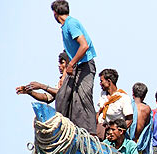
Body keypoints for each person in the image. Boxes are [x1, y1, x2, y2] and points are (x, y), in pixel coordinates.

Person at [51, 0, 97, 134]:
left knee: (83, 97)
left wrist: (70, 64)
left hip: (85, 65)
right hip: (77, 66)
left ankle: (90, 133)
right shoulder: (65, 27)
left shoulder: (71, 24)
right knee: (63, 95)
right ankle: (63, 128)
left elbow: (84, 45)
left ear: (55, 13)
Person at [95, 69, 133, 139]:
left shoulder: (123, 98)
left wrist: (117, 133)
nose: (100, 84)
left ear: (109, 81)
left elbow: (129, 120)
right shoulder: (103, 95)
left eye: (101, 81)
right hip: (103, 133)